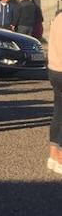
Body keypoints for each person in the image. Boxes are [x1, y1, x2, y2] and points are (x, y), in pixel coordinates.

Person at [46, 10, 62, 176]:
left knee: (58, 113)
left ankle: (53, 155)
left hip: (55, 70)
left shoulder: (58, 17)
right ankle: (60, 160)